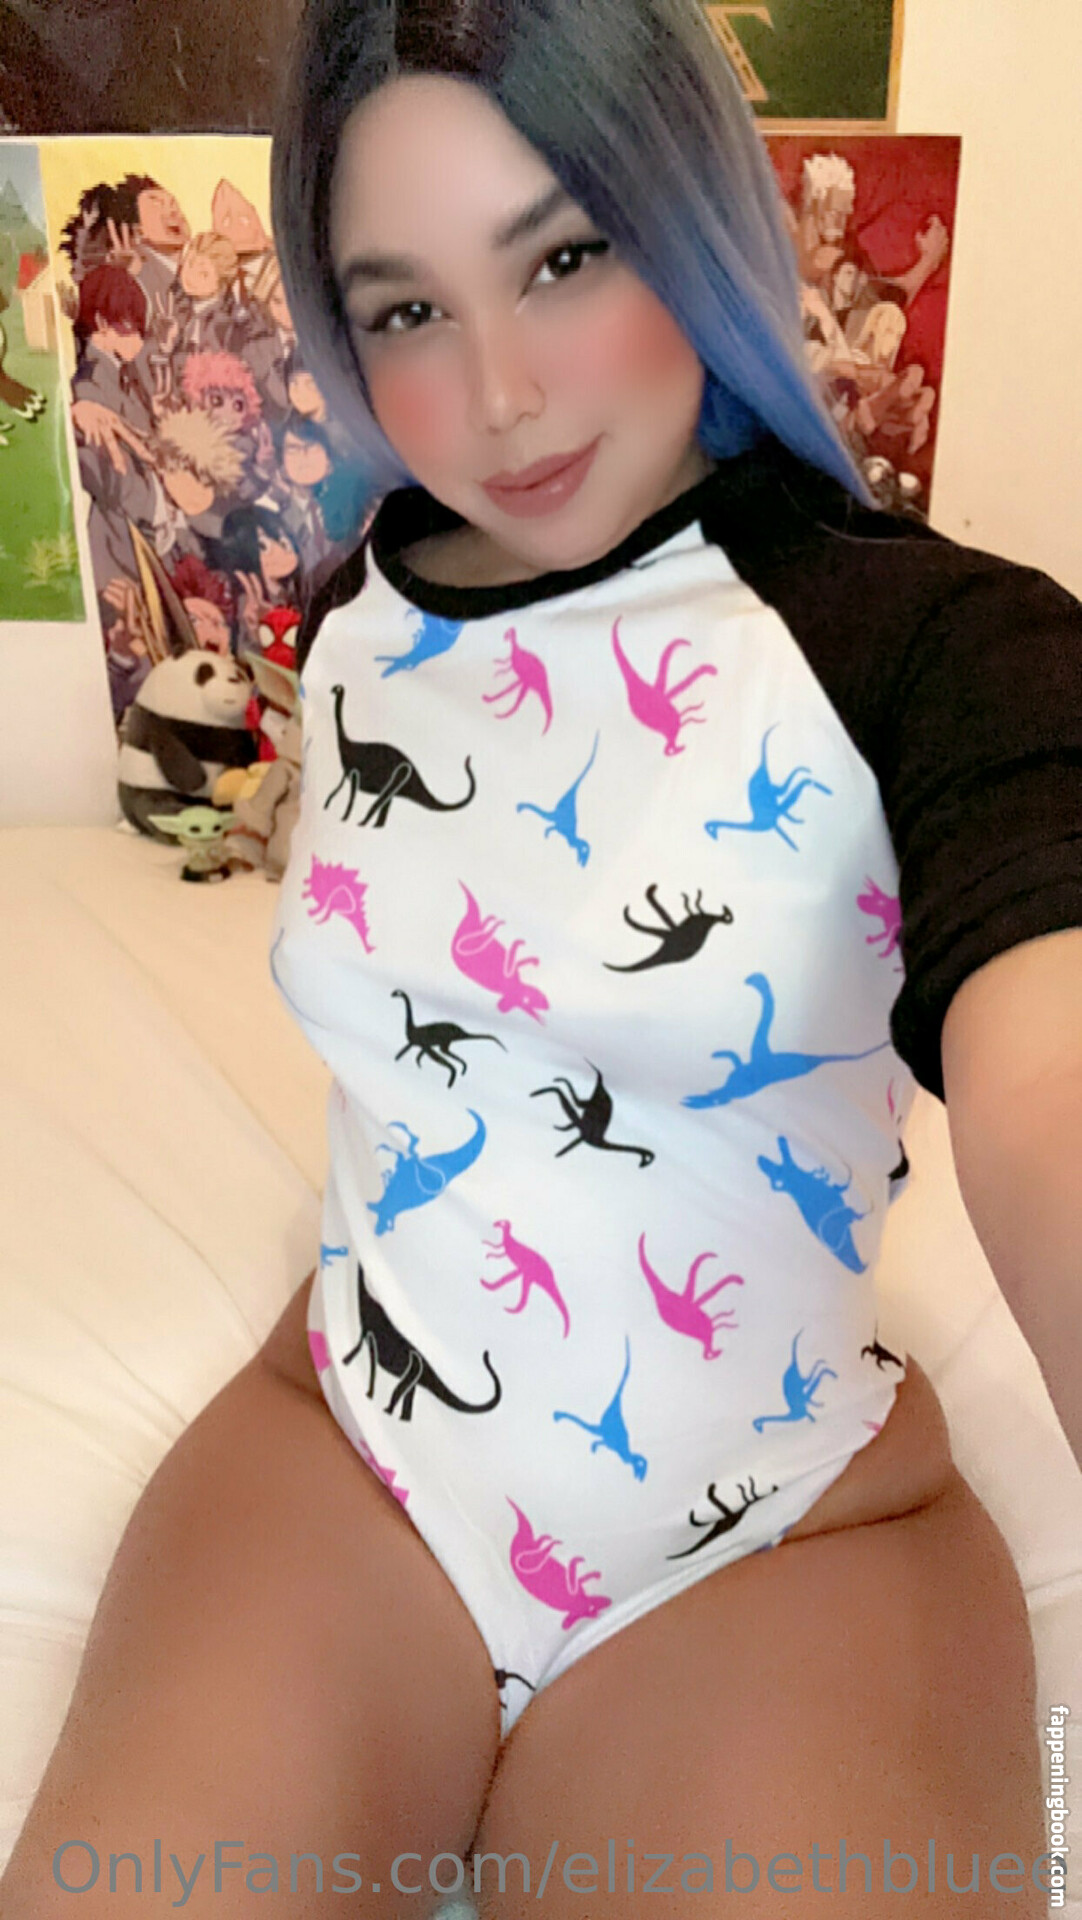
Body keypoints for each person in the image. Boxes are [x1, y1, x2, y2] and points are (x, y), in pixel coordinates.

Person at [4, 2, 1080, 1917]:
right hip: (356, 1455)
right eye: (407, 308)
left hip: (775, 1540)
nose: (496, 395)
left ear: (691, 221)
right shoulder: (365, 602)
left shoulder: (934, 648)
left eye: (563, 259)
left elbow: (1051, 1071)